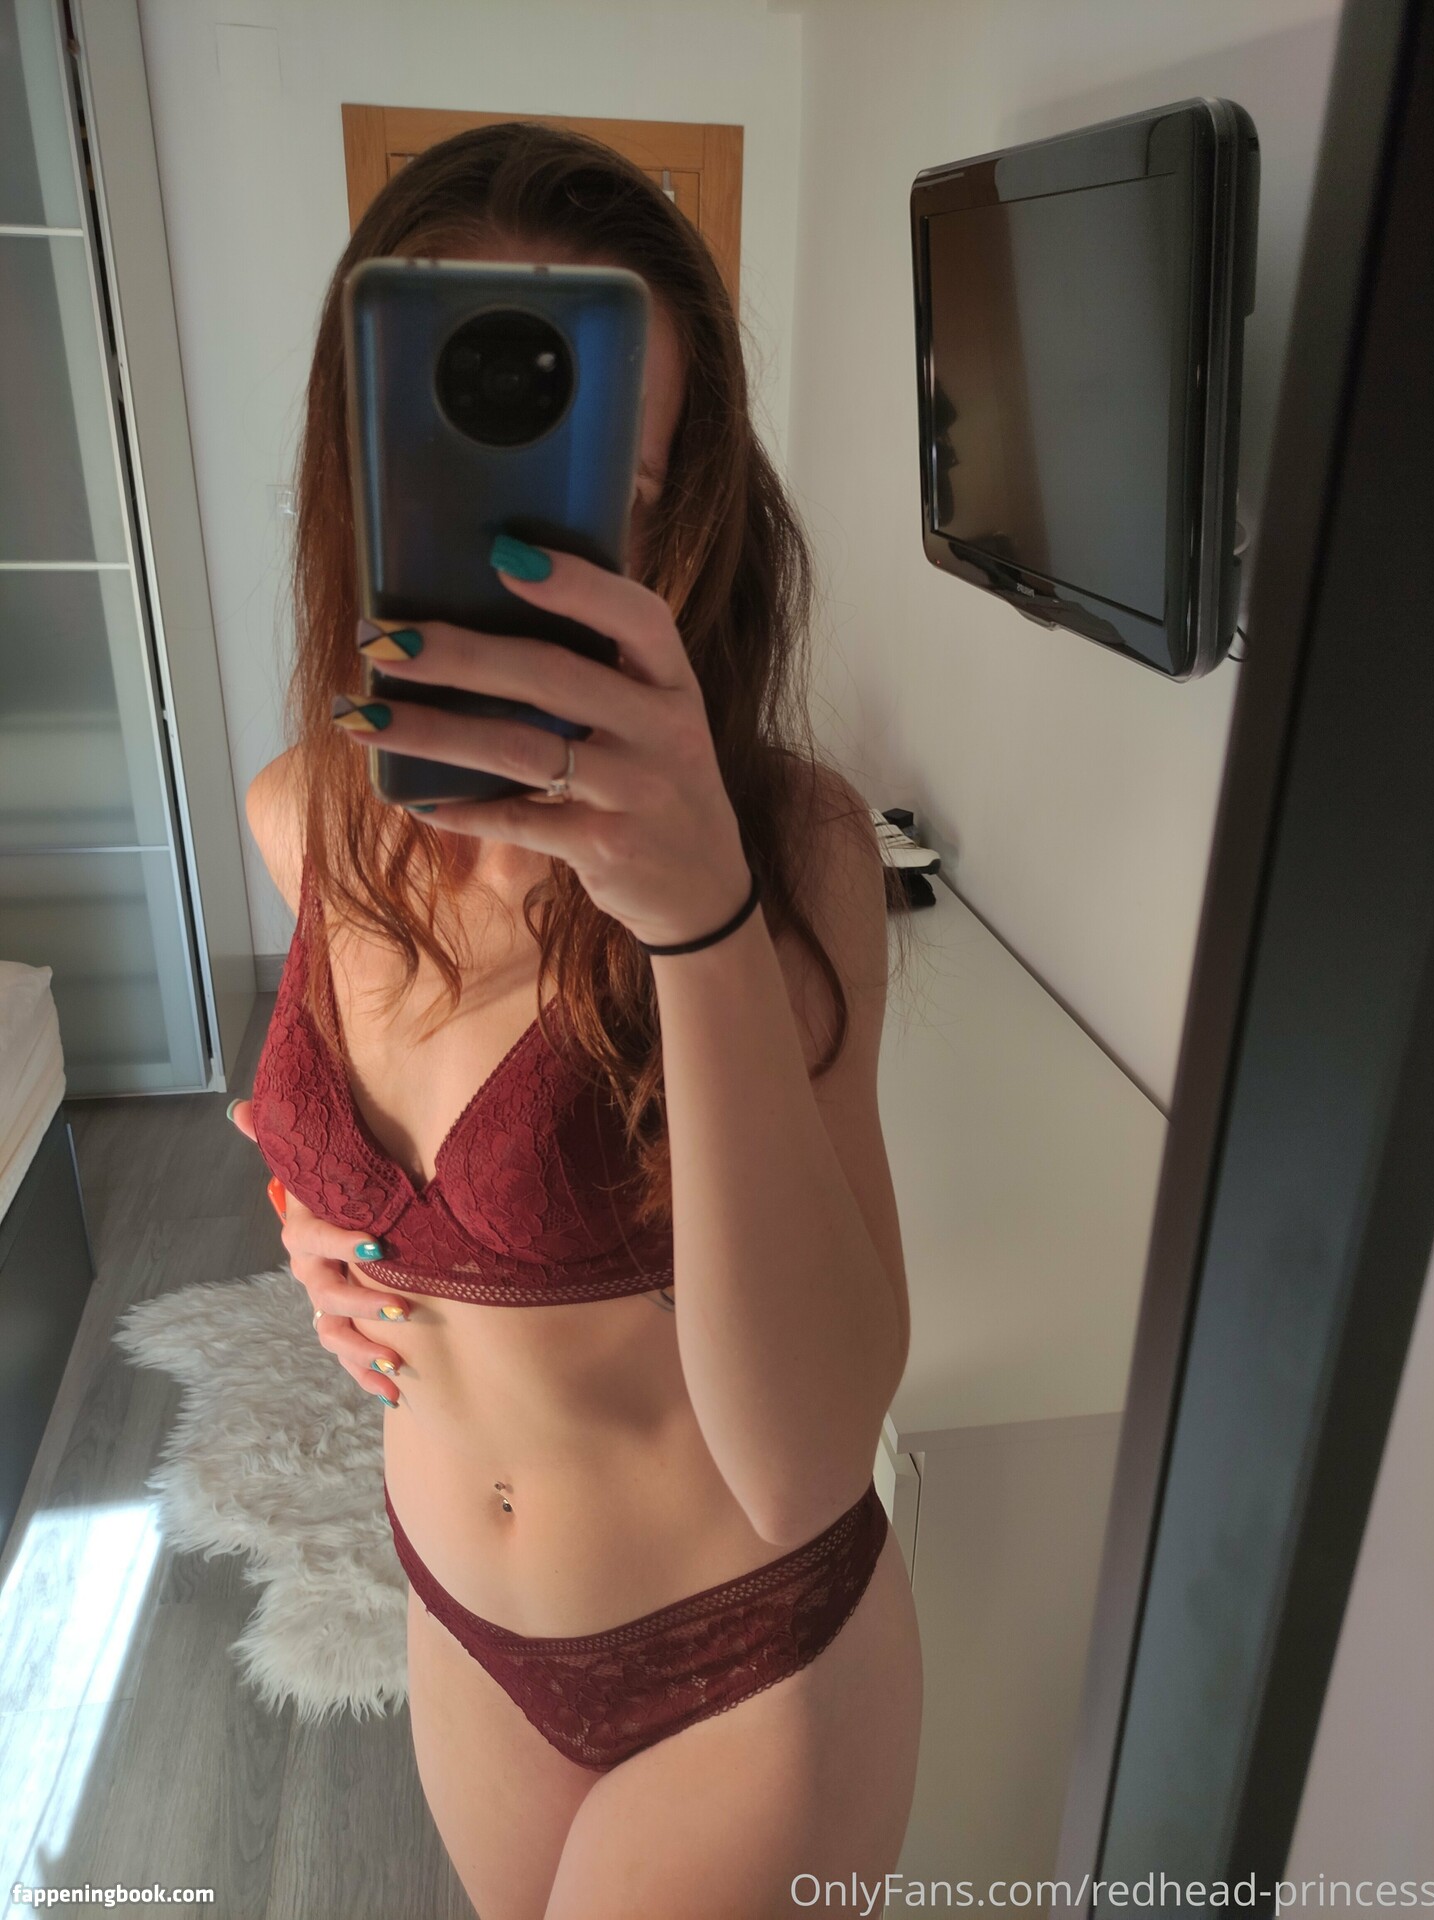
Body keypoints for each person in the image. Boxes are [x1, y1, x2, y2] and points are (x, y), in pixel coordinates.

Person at [229, 120, 922, 1920]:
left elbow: (806, 1461)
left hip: (740, 1661)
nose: (530, 545)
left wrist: (697, 918)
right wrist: (314, 1221)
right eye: (463, 472)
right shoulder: (299, 813)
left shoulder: (791, 847)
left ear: (679, 511)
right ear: (362, 476)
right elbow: (357, 1130)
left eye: (613, 483)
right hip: (457, 1628)